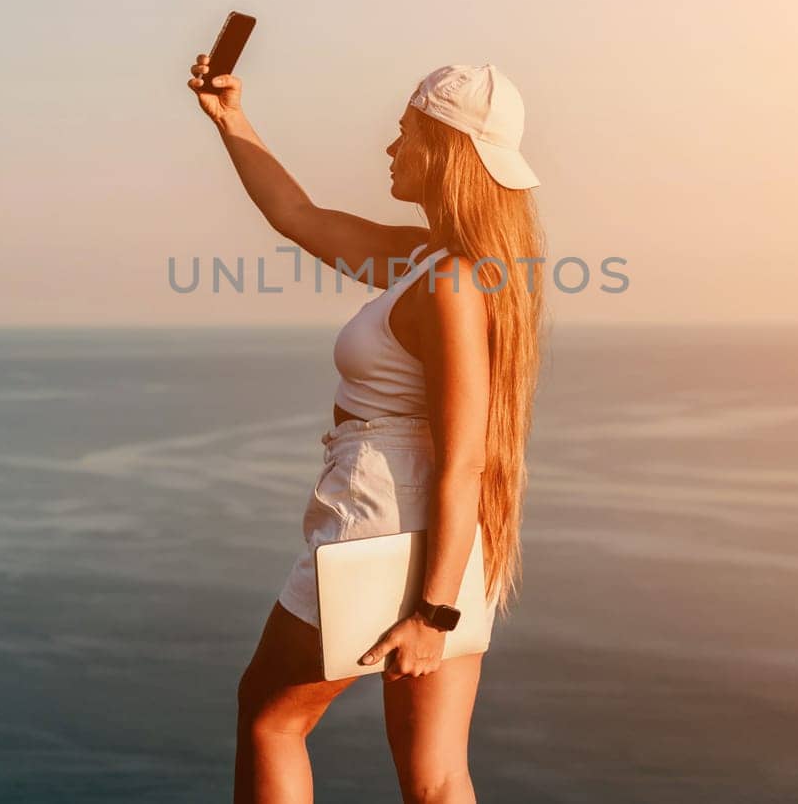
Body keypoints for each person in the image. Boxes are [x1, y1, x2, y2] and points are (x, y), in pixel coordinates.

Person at [185, 52, 545, 803]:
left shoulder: (447, 282)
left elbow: (463, 460)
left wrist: (432, 612)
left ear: (445, 154)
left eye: (404, 133)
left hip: (381, 527)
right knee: (437, 776)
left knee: (270, 719)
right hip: (446, 544)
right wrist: (231, 117)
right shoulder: (438, 264)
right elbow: (301, 217)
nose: (389, 148)